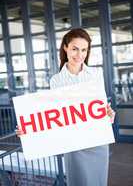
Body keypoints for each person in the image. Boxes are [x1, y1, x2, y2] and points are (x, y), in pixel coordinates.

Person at [16, 28, 115, 186]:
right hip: (74, 143)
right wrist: (29, 130)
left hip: (97, 141)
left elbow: (101, 107)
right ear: (65, 48)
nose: (79, 55)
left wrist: (109, 115)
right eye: (75, 49)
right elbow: (55, 115)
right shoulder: (56, 80)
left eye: (84, 50)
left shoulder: (96, 73)